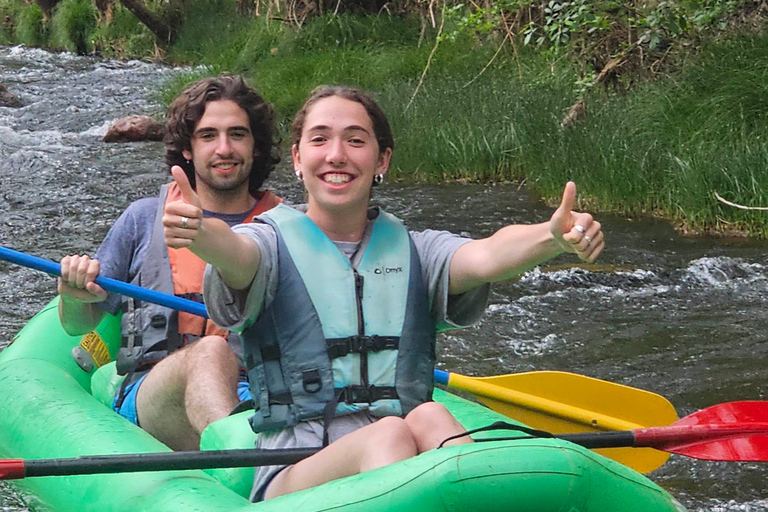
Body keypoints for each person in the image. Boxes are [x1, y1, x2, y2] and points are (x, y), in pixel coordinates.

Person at [163, 85, 605, 500]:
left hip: (396, 450)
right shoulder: (268, 244)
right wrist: (201, 232)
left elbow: (488, 254)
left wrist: (551, 237)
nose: (336, 155)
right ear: (298, 158)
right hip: (294, 469)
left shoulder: (416, 250)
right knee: (390, 431)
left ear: (382, 160)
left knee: (428, 414)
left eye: (355, 141)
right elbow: (234, 253)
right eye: (320, 140)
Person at [57, 75, 282, 451]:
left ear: (255, 146)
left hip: (266, 395)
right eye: (208, 135)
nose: (224, 148)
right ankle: (243, 459)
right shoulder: (143, 217)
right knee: (211, 352)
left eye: (238, 135)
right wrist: (75, 296)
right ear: (188, 150)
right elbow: (77, 324)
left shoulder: (286, 226)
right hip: (157, 391)